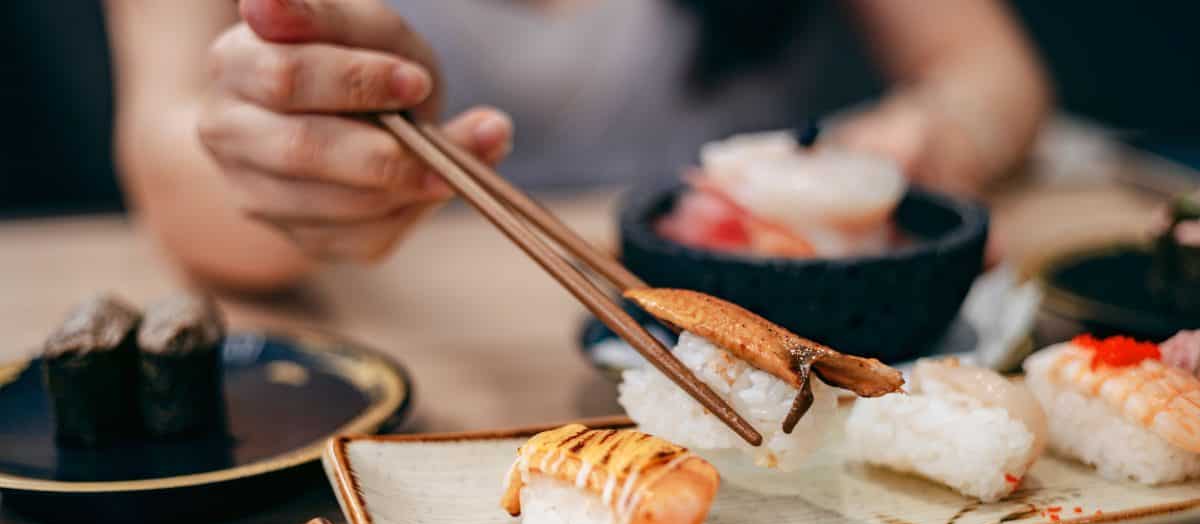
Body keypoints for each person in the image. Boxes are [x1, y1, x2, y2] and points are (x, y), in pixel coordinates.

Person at [103, 0, 1051, 294]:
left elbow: (990, 67)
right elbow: (168, 146)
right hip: (420, 360)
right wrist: (312, 176)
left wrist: (938, 132)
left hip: (748, 326)